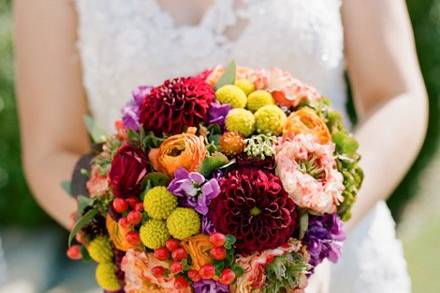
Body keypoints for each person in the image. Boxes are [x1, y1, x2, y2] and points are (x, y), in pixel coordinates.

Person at [14, 0, 428, 292]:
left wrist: (315, 235)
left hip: (341, 261)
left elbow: (396, 97)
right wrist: (153, 254)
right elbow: (52, 151)